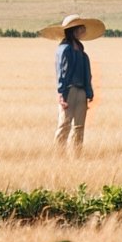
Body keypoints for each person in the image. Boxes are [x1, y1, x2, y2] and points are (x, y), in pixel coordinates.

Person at [39, 12, 105, 152]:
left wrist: (88, 92)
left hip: (81, 91)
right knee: (64, 124)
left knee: (79, 126)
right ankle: (59, 154)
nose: (83, 30)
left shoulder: (82, 52)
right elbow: (62, 73)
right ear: (73, 30)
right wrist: (61, 93)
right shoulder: (65, 49)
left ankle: (76, 155)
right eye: (80, 28)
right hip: (69, 90)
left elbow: (87, 75)